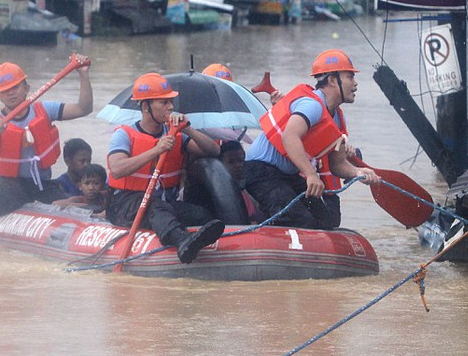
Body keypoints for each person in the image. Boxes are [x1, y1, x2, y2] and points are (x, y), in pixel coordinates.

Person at [242, 49, 381, 230]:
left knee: (328, 221)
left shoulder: (338, 118)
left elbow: (336, 163)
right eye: (350, 77)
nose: (355, 84)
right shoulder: (312, 105)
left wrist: (357, 172)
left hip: (286, 176)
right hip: (260, 171)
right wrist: (310, 174)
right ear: (332, 80)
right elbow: (290, 136)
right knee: (302, 221)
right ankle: (260, 223)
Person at [105, 72, 225, 264]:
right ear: (146, 107)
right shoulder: (124, 134)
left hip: (162, 203)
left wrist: (188, 129)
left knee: (199, 214)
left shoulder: (175, 133)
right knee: (155, 206)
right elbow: (117, 168)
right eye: (164, 103)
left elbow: (213, 150)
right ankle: (181, 241)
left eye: (171, 102)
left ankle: (199, 242)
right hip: (126, 204)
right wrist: (157, 150)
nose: (171, 107)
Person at [0, 56, 93, 218]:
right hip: (11, 184)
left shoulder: (45, 109)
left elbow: (83, 109)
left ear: (26, 88)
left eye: (15, 87)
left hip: (41, 183)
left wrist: (83, 75)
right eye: (4, 91)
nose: (10, 93)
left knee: (64, 207)